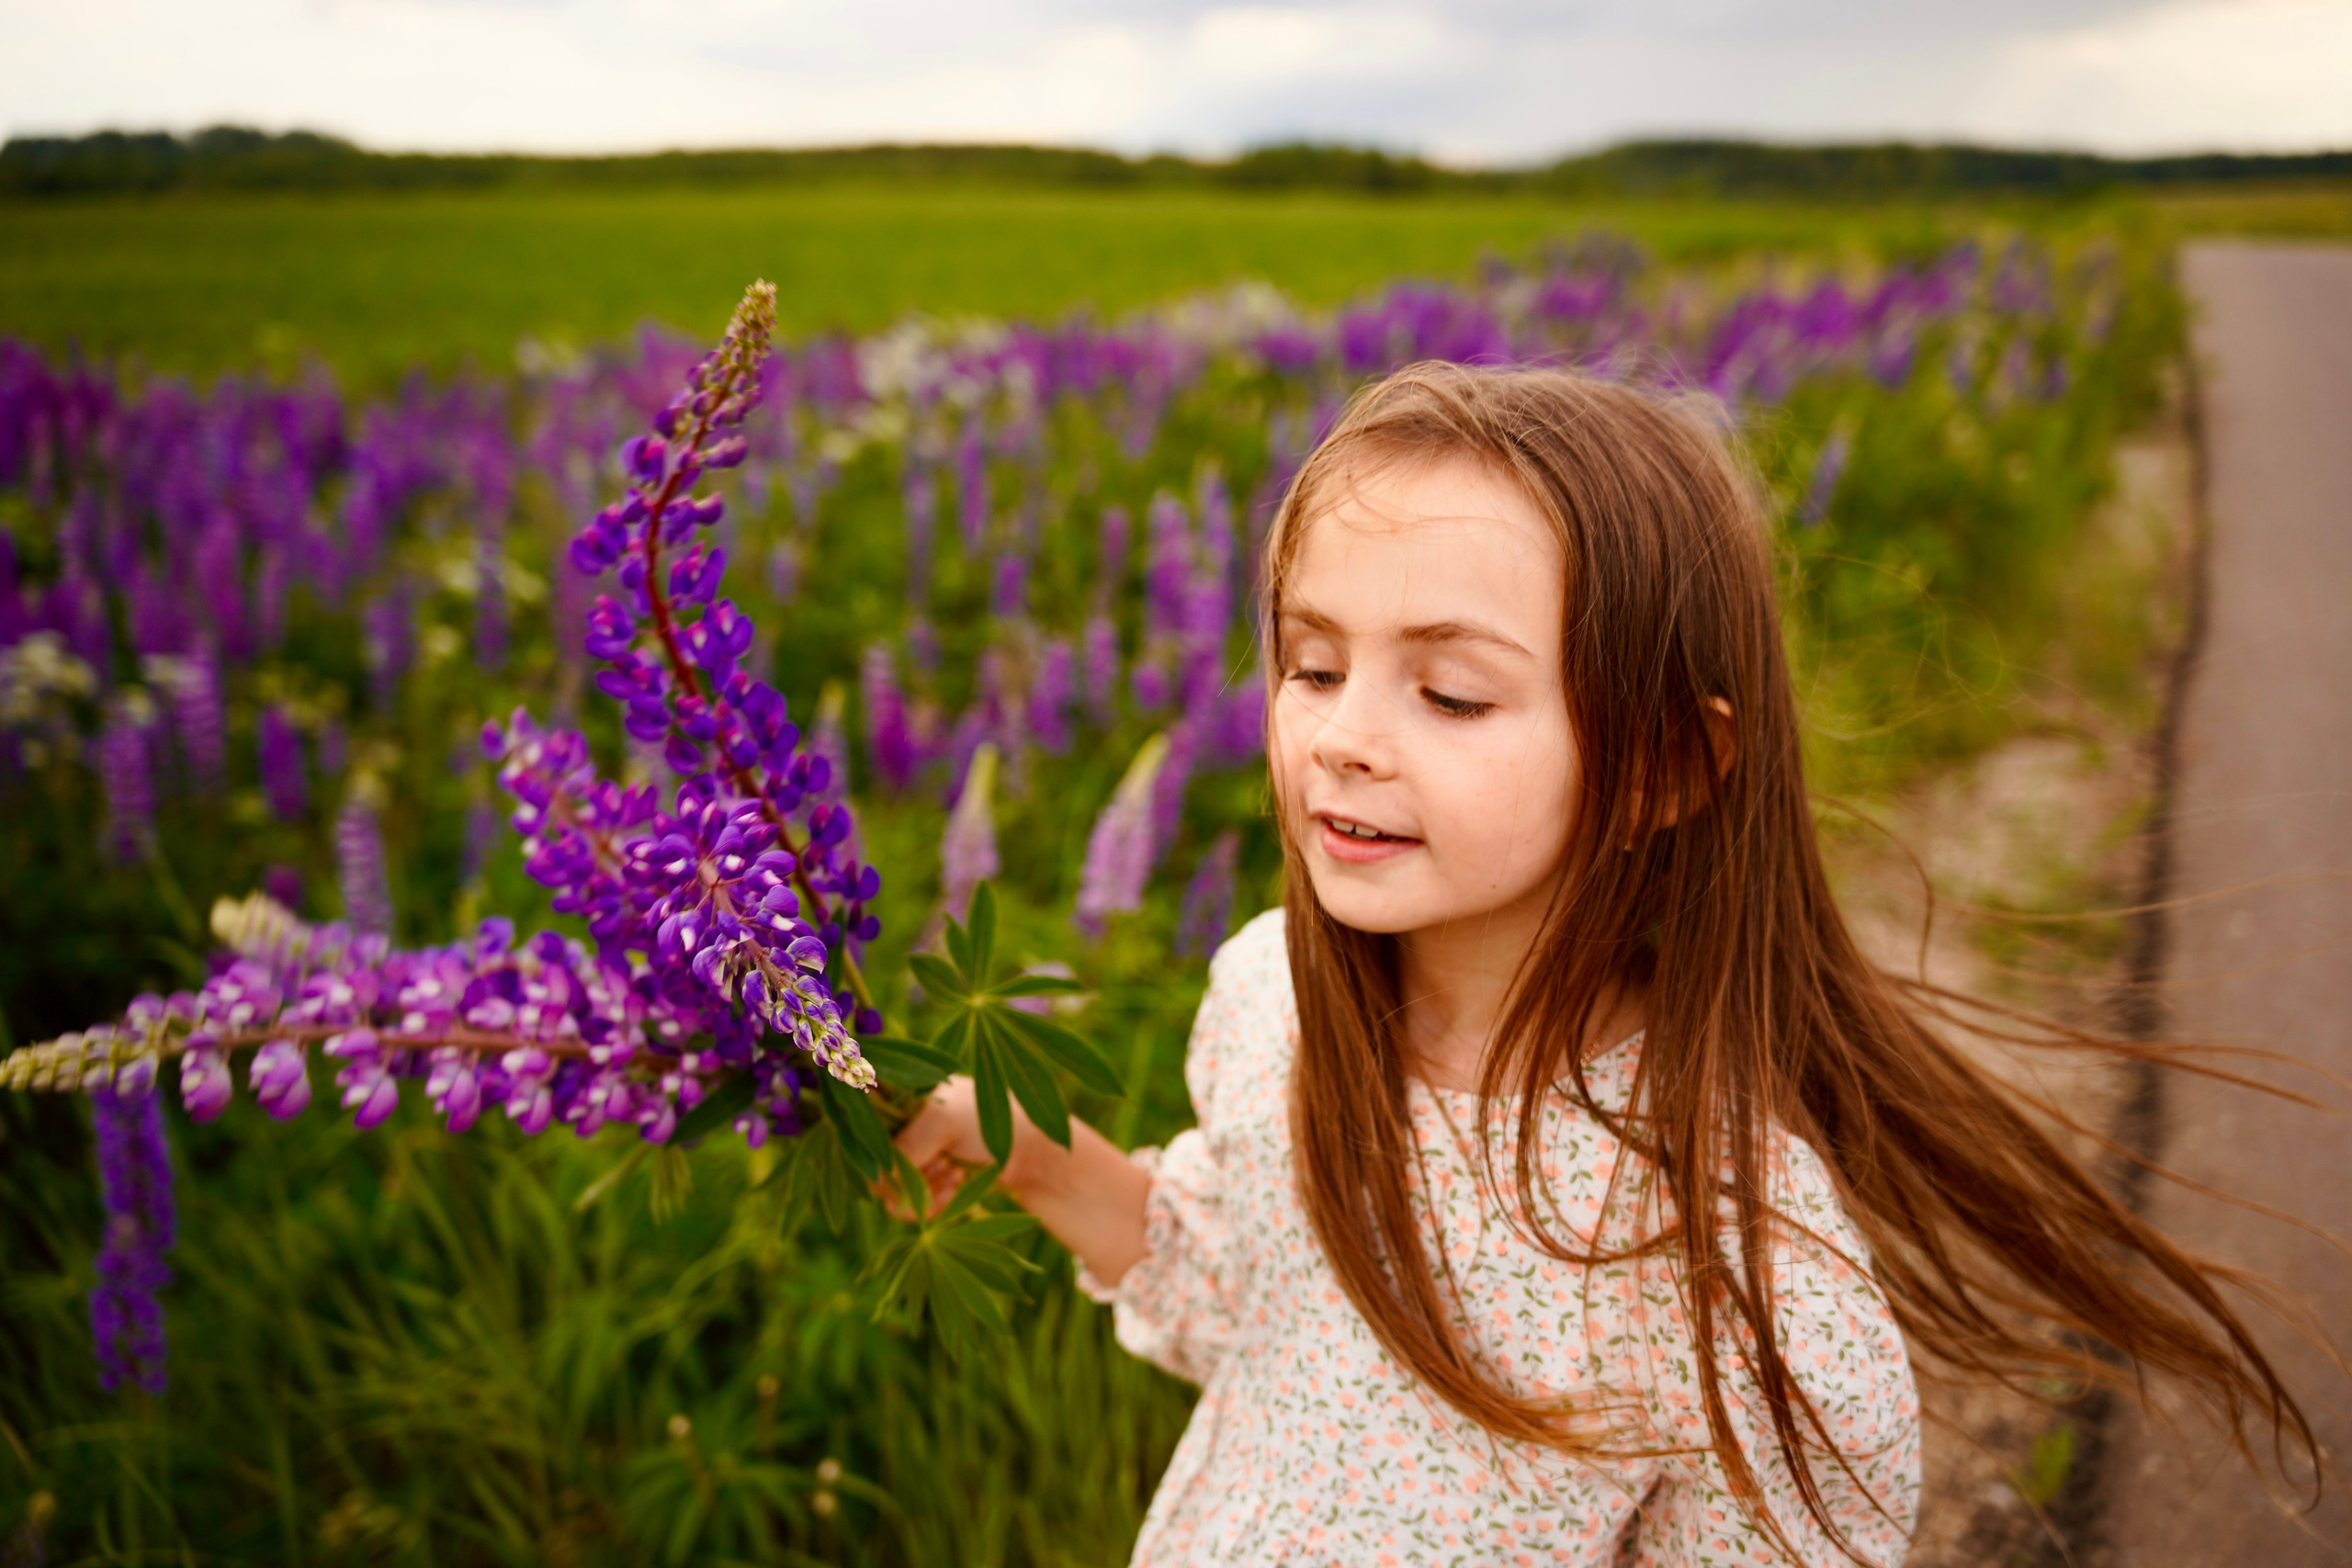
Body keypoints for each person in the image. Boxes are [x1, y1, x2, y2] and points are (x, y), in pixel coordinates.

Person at [893, 362, 2312, 1565]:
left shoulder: (1738, 1275)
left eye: (1451, 692)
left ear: (1663, 765)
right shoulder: (1271, 998)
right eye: (1314, 666)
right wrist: (1036, 1160)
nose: (1342, 737)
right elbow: (1262, 1311)